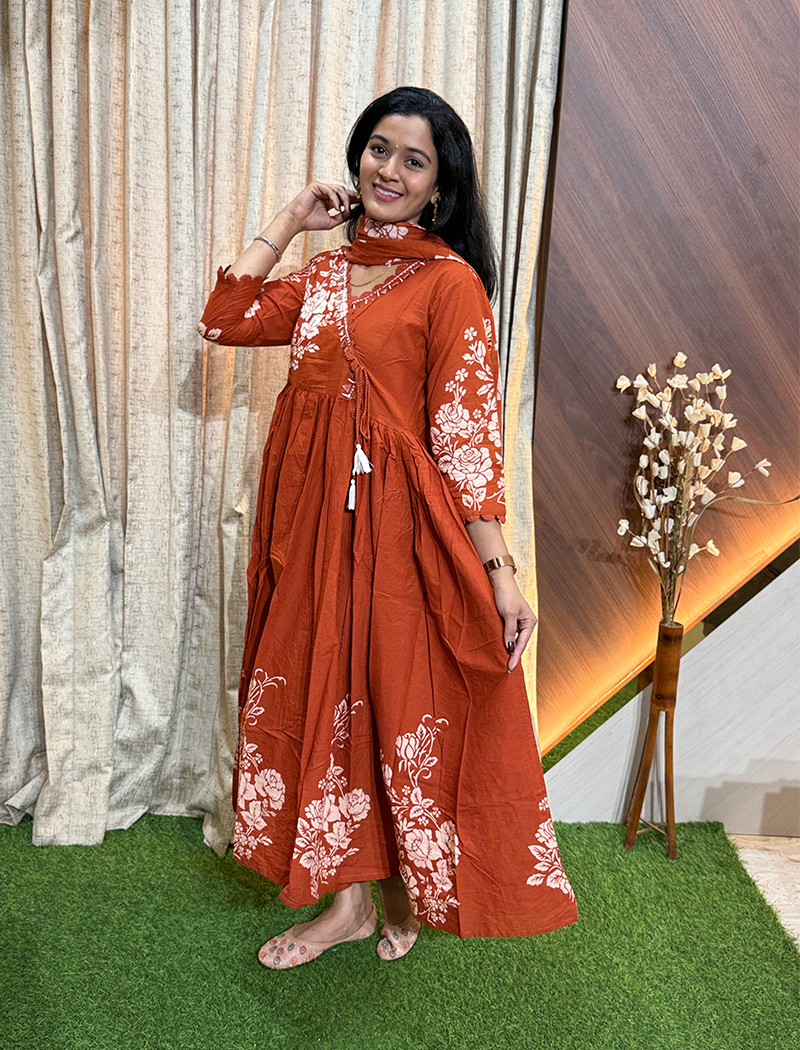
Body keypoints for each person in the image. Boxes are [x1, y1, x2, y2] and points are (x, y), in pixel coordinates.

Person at [198, 86, 577, 968]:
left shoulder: (449, 284)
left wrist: (501, 573)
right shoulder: (326, 276)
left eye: (415, 160)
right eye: (379, 149)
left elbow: (467, 432)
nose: (390, 171)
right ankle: (349, 903)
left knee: (398, 695)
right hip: (309, 528)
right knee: (321, 689)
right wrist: (291, 219)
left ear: (441, 186)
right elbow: (224, 322)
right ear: (357, 156)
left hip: (399, 534)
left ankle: (402, 888)